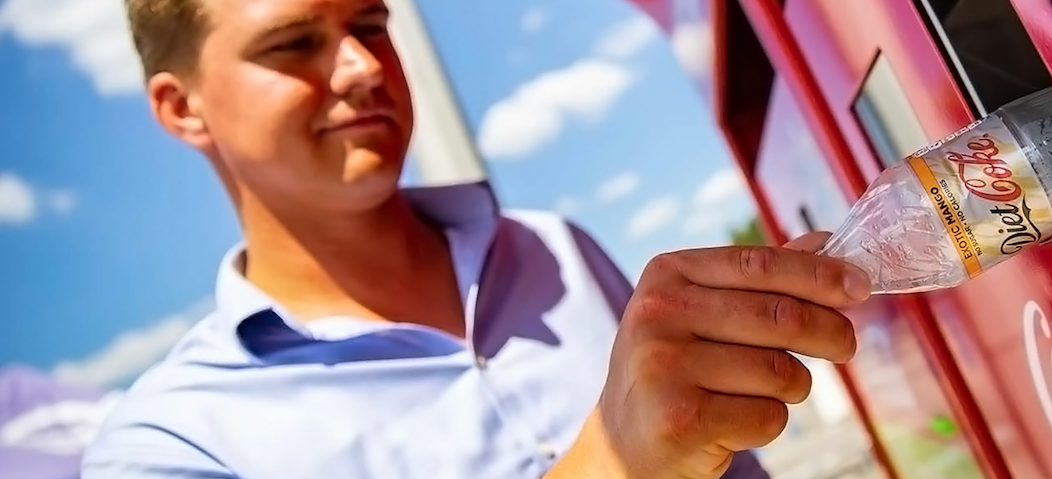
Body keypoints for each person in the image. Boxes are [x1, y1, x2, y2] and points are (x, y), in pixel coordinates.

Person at [82, 0, 873, 478]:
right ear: (181, 107)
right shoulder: (168, 441)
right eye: (292, 42)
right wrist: (614, 458)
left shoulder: (555, 248)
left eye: (372, 24)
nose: (362, 65)